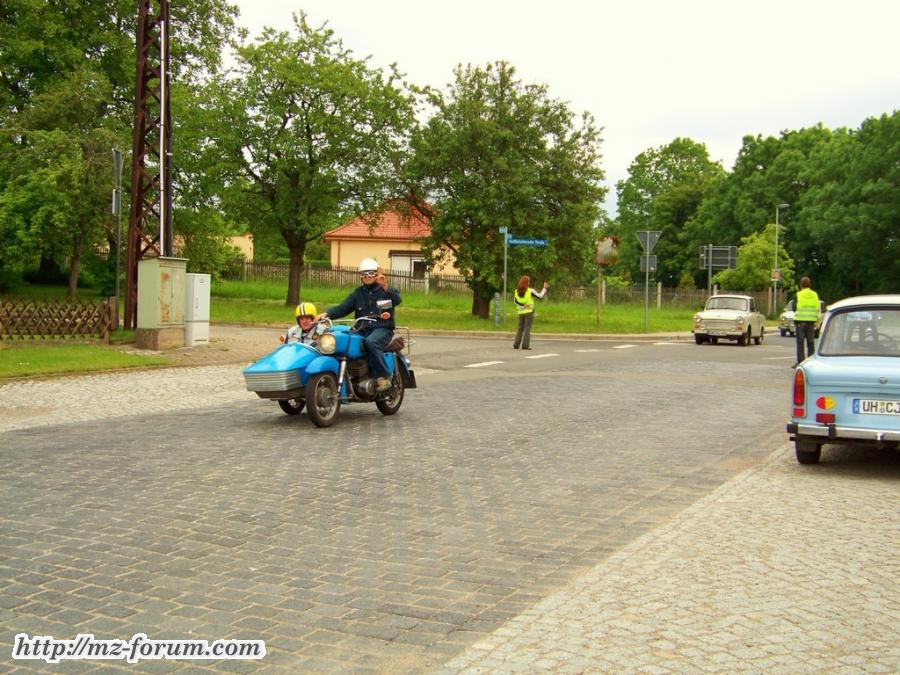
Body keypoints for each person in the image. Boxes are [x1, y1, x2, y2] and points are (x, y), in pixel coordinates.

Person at [316, 258, 401, 392]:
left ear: (377, 273)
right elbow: (343, 308)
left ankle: (384, 376)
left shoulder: (385, 291)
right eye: (364, 273)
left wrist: (385, 286)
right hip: (362, 329)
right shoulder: (358, 293)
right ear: (360, 276)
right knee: (341, 340)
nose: (367, 276)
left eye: (370, 273)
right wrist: (327, 314)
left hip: (382, 328)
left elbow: (397, 300)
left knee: (371, 342)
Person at [512, 276, 549, 350]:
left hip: (521, 312)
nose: (529, 283)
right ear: (526, 283)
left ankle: (516, 344)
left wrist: (522, 306)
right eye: (528, 282)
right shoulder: (530, 291)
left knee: (520, 328)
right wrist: (544, 288)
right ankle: (525, 346)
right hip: (529, 312)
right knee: (527, 329)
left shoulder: (516, 291)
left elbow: (515, 302)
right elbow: (540, 296)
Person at [793, 276, 821, 367]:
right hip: (811, 321)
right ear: (810, 284)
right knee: (811, 342)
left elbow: (794, 308)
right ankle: (810, 361)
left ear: (801, 285)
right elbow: (817, 307)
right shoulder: (815, 294)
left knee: (800, 342)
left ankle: (801, 362)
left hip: (800, 321)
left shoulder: (798, 294)